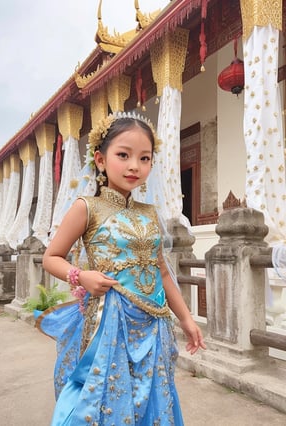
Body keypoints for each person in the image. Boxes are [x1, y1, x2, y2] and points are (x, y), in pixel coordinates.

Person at [37, 112, 206, 425]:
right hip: (109, 320)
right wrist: (82, 276)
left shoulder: (150, 213)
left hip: (154, 323)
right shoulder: (86, 207)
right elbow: (52, 257)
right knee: (107, 399)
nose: (134, 166)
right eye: (123, 155)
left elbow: (163, 273)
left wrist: (186, 319)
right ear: (101, 160)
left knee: (151, 396)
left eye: (144, 158)